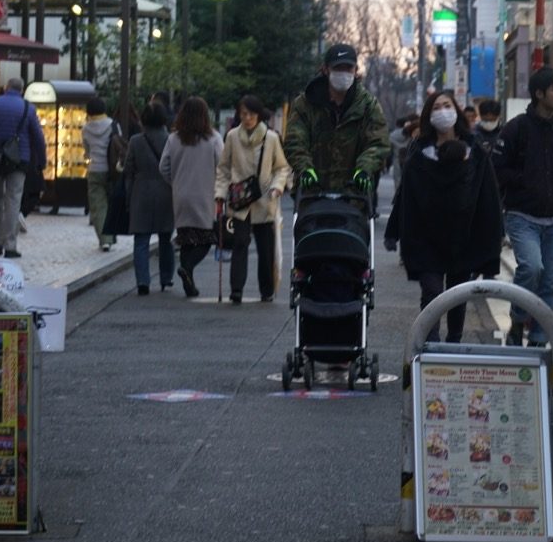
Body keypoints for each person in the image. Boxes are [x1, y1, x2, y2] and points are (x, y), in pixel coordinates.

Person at [386, 92, 503, 343]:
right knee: (432, 291)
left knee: (457, 294)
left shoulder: (475, 149)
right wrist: (393, 231)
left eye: (447, 106)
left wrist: (493, 232)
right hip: (426, 237)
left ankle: (454, 342)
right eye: (436, 107)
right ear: (429, 115)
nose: (442, 111)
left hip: (464, 235)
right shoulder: (420, 151)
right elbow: (405, 194)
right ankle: (430, 341)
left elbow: (488, 194)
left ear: (457, 110)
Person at [492, 68, 553, 347]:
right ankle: (519, 319)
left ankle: (540, 338)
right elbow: (497, 168)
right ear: (539, 94)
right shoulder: (517, 128)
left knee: (549, 282)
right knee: (531, 267)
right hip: (522, 215)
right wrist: (524, 182)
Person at [282, 43, 390, 198]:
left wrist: (365, 168)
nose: (344, 73)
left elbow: (379, 142)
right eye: (338, 68)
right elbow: (295, 140)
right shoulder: (305, 104)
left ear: (356, 71)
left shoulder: (368, 105)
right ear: (326, 69)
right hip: (312, 193)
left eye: (348, 68)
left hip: (354, 195)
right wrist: (304, 168)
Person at [213, 95, 291, 303]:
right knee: (240, 242)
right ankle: (236, 289)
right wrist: (220, 194)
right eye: (243, 114)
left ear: (258, 115)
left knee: (266, 248)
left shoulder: (271, 138)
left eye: (251, 114)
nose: (247, 118)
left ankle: (266, 289)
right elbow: (223, 168)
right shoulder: (231, 137)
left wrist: (277, 186)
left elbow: (281, 167)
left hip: (265, 198)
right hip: (240, 200)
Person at [0, 76, 46, 259]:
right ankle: (10, 246)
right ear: (21, 90)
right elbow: (38, 138)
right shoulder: (28, 108)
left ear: (6, 88)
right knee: (14, 200)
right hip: (19, 159)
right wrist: (42, 161)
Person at [160, 96, 223, 298]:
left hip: (180, 195)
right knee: (207, 238)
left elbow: (163, 167)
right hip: (205, 195)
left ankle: (190, 283)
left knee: (187, 238)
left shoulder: (173, 138)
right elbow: (221, 165)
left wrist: (175, 182)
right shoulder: (213, 138)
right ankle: (187, 268)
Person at [125, 104, 176, 295]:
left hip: (141, 192)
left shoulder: (136, 141)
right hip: (166, 191)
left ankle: (143, 281)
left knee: (141, 240)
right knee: (165, 238)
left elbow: (129, 171)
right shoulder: (171, 140)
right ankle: (166, 277)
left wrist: (128, 197)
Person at [82, 96, 120, 252]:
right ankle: (111, 235)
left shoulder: (85, 128)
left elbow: (87, 151)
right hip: (112, 170)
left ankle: (104, 240)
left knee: (98, 207)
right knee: (111, 204)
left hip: (94, 170)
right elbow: (119, 145)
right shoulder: (113, 125)